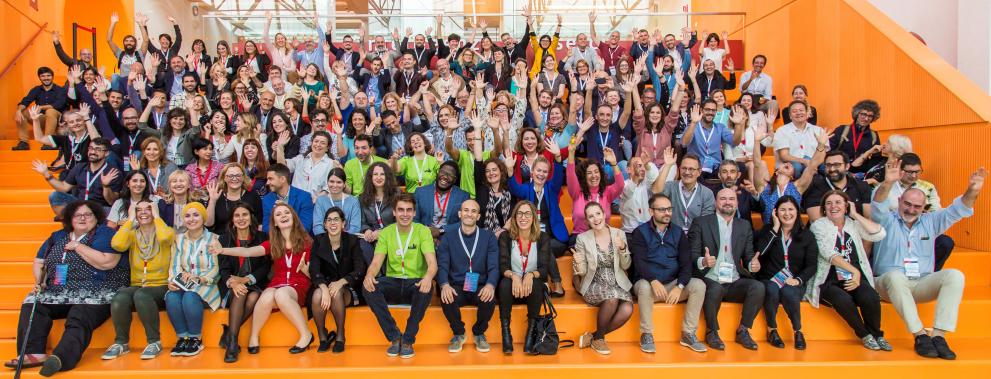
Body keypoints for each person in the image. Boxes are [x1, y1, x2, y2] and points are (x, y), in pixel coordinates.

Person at [870, 162, 984, 359]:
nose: (911, 209)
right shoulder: (886, 219)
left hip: (920, 282)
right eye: (907, 204)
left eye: (917, 206)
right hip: (886, 285)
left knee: (955, 275)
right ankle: (920, 335)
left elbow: (959, 209)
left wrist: (972, 190)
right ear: (899, 201)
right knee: (896, 277)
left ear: (924, 207)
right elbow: (878, 203)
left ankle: (939, 336)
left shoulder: (931, 221)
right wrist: (888, 182)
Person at [6, 201, 126, 375]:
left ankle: (61, 358)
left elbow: (106, 262)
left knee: (79, 314)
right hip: (60, 290)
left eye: (88, 214)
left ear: (96, 217)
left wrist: (78, 246)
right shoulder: (57, 236)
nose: (83, 218)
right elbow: (40, 261)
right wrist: (40, 281)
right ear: (70, 218)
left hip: (97, 291)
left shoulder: (105, 234)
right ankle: (33, 353)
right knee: (33, 302)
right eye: (78, 215)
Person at [210, 203, 315, 354]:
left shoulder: (307, 242)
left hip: (297, 284)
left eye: (286, 213)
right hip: (278, 283)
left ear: (293, 217)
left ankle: (306, 334)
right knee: (265, 297)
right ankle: (253, 337)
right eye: (278, 215)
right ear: (275, 223)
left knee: (281, 294)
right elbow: (248, 251)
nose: (283, 216)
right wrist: (223, 250)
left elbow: (314, 274)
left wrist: (306, 270)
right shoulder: (273, 243)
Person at [807, 190, 890, 351]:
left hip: (854, 277)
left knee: (870, 296)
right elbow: (828, 253)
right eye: (829, 203)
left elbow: (879, 234)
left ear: (846, 206)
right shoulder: (818, 225)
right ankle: (865, 334)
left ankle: (877, 335)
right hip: (829, 279)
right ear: (824, 208)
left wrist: (856, 215)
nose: (833, 206)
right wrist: (855, 272)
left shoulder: (853, 224)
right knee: (842, 299)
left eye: (838, 202)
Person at [629, 193, 708, 353]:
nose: (667, 213)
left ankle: (688, 333)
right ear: (651, 211)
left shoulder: (678, 232)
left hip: (672, 286)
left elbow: (686, 264)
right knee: (644, 286)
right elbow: (639, 263)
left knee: (698, 285)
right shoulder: (640, 232)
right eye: (662, 209)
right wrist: (653, 280)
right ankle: (646, 334)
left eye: (669, 209)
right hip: (649, 286)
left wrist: (679, 286)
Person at [362, 193, 437, 359]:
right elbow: (375, 263)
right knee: (368, 287)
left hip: (414, 283)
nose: (405, 214)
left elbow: (432, 264)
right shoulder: (386, 233)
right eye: (401, 210)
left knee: (426, 287)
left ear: (414, 213)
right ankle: (395, 337)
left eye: (409, 210)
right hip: (393, 282)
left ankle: (408, 339)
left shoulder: (423, 231)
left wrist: (427, 277)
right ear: (394, 212)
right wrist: (369, 275)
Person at [690, 188, 763, 351]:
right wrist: (704, 261)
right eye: (723, 198)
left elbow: (749, 255)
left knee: (758, 287)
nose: (727, 202)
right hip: (709, 277)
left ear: (737, 203)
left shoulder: (744, 225)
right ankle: (712, 332)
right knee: (714, 289)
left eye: (731, 199)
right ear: (716, 202)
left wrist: (753, 265)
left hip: (733, 280)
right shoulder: (701, 222)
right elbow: (693, 254)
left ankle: (743, 330)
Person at [104, 200, 174, 360]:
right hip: (137, 284)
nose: (143, 212)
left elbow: (165, 239)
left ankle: (154, 342)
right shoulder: (132, 233)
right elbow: (117, 244)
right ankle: (121, 342)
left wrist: (156, 216)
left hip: (162, 285)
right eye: (139, 210)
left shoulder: (166, 230)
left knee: (142, 295)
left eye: (148, 209)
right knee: (121, 296)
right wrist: (129, 220)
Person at [871, 153, 955, 270]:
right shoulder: (885, 187)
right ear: (900, 170)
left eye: (918, 171)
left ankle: (928, 274)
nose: (914, 175)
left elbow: (936, 211)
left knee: (946, 242)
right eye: (910, 172)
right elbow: (879, 211)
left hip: (920, 229)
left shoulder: (928, 187)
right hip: (893, 231)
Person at [436, 200, 500, 353]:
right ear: (460, 214)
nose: (469, 214)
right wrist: (444, 285)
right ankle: (458, 332)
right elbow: (442, 265)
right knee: (446, 296)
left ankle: (479, 332)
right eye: (466, 210)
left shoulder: (488, 237)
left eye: (473, 211)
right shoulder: (448, 238)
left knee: (489, 297)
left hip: (479, 285)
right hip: (457, 285)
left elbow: (494, 266)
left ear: (478, 216)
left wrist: (490, 285)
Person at [754, 196, 817, 350]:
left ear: (797, 212)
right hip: (769, 279)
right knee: (771, 289)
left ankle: (798, 331)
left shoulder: (806, 235)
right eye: (782, 209)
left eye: (790, 209)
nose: (787, 213)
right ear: (776, 212)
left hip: (793, 281)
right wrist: (775, 228)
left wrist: (799, 280)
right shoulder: (767, 231)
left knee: (789, 292)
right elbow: (759, 253)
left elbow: (811, 265)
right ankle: (772, 330)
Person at [573, 202, 633, 355]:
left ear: (604, 213)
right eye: (591, 216)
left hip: (617, 282)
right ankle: (599, 340)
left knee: (627, 309)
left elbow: (626, 266)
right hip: (594, 282)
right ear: (587, 221)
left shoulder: (619, 234)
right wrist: (578, 263)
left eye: (598, 214)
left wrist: (622, 249)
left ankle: (594, 336)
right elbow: (583, 271)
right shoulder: (582, 239)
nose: (595, 218)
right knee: (612, 298)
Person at [214, 202, 270, 363]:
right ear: (232, 219)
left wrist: (246, 279)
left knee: (252, 297)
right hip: (232, 283)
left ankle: (229, 334)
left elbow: (265, 266)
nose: (241, 218)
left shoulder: (262, 237)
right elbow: (223, 269)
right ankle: (232, 343)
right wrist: (233, 283)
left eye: (244, 215)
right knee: (240, 294)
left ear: (251, 217)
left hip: (255, 282)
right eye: (237, 215)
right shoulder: (224, 239)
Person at [165, 202, 221, 357]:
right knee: (171, 297)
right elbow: (175, 264)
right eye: (187, 216)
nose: (191, 219)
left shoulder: (214, 238)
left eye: (196, 215)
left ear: (203, 218)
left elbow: (215, 268)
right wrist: (173, 280)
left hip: (205, 283)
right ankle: (183, 338)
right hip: (183, 282)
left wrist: (200, 278)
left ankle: (196, 338)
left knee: (190, 296)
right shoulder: (178, 239)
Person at [497, 201, 553, 354]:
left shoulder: (543, 238)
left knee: (536, 283)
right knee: (505, 283)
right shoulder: (505, 237)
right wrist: (513, 276)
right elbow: (502, 265)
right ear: (514, 218)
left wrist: (531, 274)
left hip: (531, 292)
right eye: (519, 214)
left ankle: (531, 332)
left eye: (527, 214)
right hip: (511, 291)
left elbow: (543, 267)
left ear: (534, 218)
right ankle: (506, 333)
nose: (523, 217)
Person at [310, 207, 366, 353]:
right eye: (329, 220)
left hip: (348, 287)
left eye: (336, 220)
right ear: (324, 224)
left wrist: (341, 282)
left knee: (337, 292)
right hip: (324, 285)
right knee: (317, 295)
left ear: (343, 223)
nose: (332, 223)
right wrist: (323, 288)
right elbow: (314, 269)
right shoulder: (318, 241)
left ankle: (340, 336)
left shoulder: (352, 240)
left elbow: (360, 269)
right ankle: (323, 336)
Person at [32, 138, 124, 217]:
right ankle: (71, 223)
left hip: (100, 208)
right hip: (80, 205)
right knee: (55, 196)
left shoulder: (113, 172)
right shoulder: (80, 167)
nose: (92, 152)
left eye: (98, 149)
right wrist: (46, 174)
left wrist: (105, 186)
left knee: (110, 213)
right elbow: (64, 187)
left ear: (106, 153)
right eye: (91, 148)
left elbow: (112, 201)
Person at [803, 151, 874, 222]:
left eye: (837, 165)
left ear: (847, 166)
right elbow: (817, 221)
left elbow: (867, 218)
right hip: (825, 231)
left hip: (856, 230)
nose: (832, 169)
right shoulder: (815, 186)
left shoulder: (861, 186)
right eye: (828, 165)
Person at [681, 101, 745, 178]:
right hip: (696, 167)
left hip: (716, 167)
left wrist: (738, 125)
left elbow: (735, 142)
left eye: (713, 110)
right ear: (701, 110)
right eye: (707, 109)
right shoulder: (692, 127)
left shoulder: (720, 127)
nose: (710, 112)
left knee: (739, 168)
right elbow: (684, 143)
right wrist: (693, 123)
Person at [655, 153, 715, 232]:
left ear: (699, 172)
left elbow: (705, 223)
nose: (687, 172)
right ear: (679, 169)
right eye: (684, 168)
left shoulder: (707, 193)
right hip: (671, 236)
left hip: (695, 236)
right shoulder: (670, 186)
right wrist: (667, 166)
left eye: (691, 169)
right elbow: (656, 195)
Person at [13, 67, 68, 150]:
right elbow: (25, 101)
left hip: (57, 119)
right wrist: (19, 110)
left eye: (48, 75)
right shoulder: (36, 90)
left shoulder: (60, 90)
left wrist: (41, 107)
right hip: (42, 118)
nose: (46, 78)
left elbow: (58, 105)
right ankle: (23, 142)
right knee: (22, 111)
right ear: (39, 77)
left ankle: (48, 142)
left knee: (50, 111)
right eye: (43, 76)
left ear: (52, 77)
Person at [414, 162, 470, 241]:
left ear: (455, 180)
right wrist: (426, 233)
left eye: (450, 175)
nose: (445, 177)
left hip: (450, 238)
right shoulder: (420, 192)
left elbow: (465, 221)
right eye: (443, 172)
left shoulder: (463, 196)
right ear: (438, 172)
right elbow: (414, 219)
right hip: (424, 237)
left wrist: (441, 230)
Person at [277, 130, 339, 197]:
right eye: (316, 141)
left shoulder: (331, 164)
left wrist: (317, 198)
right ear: (311, 143)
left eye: (323, 143)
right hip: (295, 200)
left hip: (315, 203)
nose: (318, 145)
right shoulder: (300, 159)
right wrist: (280, 147)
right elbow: (282, 167)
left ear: (327, 148)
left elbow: (329, 188)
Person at [358, 162, 399, 262]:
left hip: (392, 233)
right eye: (375, 174)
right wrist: (367, 230)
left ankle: (385, 276)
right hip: (371, 236)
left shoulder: (397, 195)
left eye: (382, 174)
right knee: (362, 245)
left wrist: (383, 231)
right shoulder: (362, 197)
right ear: (370, 177)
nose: (378, 177)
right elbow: (362, 222)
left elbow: (401, 220)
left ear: (387, 176)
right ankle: (375, 275)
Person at [773, 101, 826, 177]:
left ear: (807, 113)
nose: (798, 113)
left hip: (815, 163)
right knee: (797, 167)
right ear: (790, 116)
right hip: (792, 164)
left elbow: (822, 155)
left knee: (826, 167)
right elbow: (784, 156)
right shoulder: (782, 131)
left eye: (801, 110)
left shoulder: (818, 130)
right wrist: (804, 161)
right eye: (794, 111)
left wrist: (812, 164)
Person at [206, 163, 263, 233]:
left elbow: (259, 223)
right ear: (224, 178)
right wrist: (212, 200)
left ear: (243, 177)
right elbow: (208, 224)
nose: (234, 178)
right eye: (230, 176)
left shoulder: (253, 195)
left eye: (238, 175)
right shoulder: (216, 196)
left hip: (247, 239)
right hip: (221, 239)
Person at [830, 100, 882, 175]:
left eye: (870, 116)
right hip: (840, 171)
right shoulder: (842, 130)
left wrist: (867, 175)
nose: (866, 118)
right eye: (863, 114)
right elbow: (829, 150)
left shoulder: (874, 135)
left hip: (860, 174)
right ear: (857, 114)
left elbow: (875, 159)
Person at [260, 164, 314, 233]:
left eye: (271, 179)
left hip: (299, 241)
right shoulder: (267, 199)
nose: (267, 183)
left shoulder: (304, 197)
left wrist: (287, 209)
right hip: (277, 242)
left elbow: (305, 227)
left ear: (282, 179)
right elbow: (266, 228)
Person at [313, 168, 362, 235]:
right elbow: (317, 227)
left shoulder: (353, 201)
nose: (335, 185)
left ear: (344, 184)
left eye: (339, 182)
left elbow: (355, 228)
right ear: (327, 183)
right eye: (332, 181)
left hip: (348, 241)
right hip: (325, 241)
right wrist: (328, 240)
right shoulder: (320, 201)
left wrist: (340, 241)